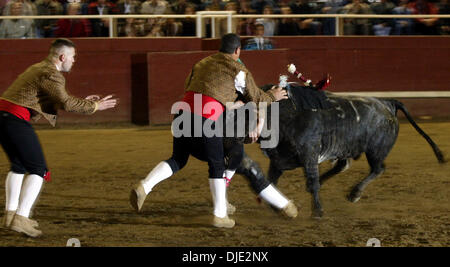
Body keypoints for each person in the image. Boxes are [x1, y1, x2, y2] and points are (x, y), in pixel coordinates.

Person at [130, 33, 293, 228]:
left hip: (182, 112)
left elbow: (189, 86)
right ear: (237, 51)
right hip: (206, 116)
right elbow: (258, 98)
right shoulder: (239, 70)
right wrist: (273, 95)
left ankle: (144, 186)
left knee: (178, 159)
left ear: (219, 48)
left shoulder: (201, 63)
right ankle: (220, 215)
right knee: (217, 164)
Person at [0, 38, 118, 237]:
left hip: (3, 117)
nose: (74, 61)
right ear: (63, 57)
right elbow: (67, 103)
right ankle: (21, 218)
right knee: (39, 169)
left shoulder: (40, 68)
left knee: (18, 166)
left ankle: (10, 216)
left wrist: (82, 101)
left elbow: (60, 100)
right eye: (73, 57)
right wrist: (96, 107)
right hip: (14, 119)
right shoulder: (52, 74)